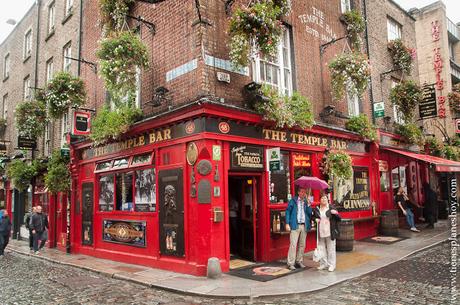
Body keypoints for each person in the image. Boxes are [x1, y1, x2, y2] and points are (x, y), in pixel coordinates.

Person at [285, 187, 312, 270]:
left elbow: (309, 213)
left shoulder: (306, 202)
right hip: (295, 225)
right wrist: (287, 223)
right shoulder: (293, 201)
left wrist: (309, 204)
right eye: (302, 192)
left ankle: (299, 261)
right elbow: (287, 211)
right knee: (293, 244)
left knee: (302, 245)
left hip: (304, 225)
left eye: (305, 192)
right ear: (298, 192)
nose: (303, 194)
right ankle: (290, 263)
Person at [312, 195, 341, 272]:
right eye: (322, 198)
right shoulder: (317, 208)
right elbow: (313, 217)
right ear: (320, 200)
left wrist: (335, 213)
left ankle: (332, 265)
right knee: (322, 249)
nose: (324, 199)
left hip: (330, 231)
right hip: (321, 231)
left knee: (331, 248)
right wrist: (315, 219)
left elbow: (339, 218)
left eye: (325, 198)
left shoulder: (331, 207)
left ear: (327, 199)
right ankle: (323, 264)